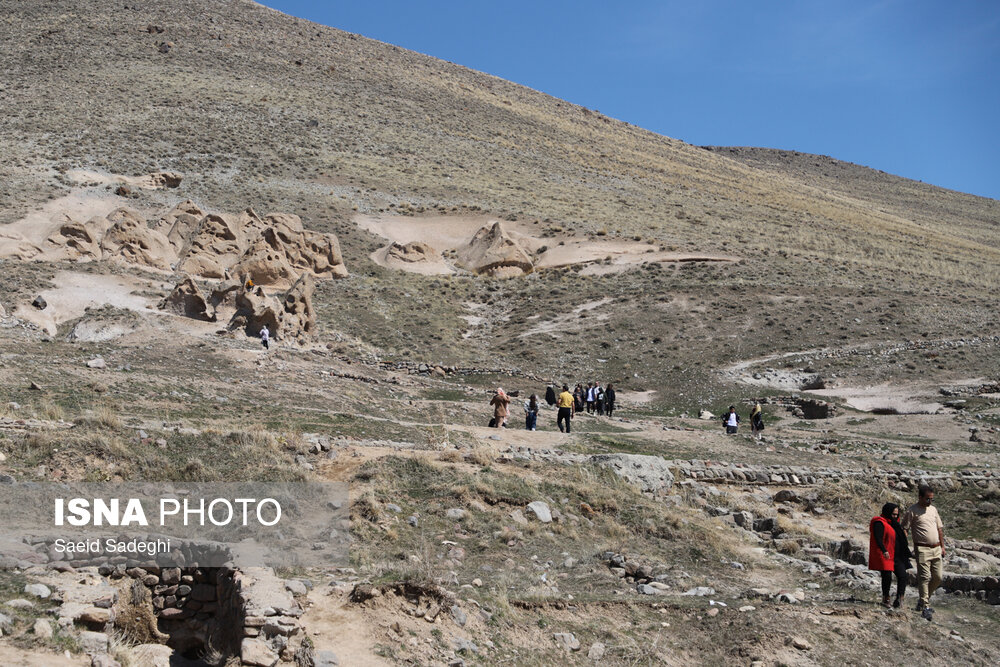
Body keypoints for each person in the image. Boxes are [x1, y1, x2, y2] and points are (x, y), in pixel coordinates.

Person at [901, 484, 945, 617]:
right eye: (927, 499)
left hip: (936, 547)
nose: (929, 501)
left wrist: (943, 546)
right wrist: (906, 545)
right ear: (920, 497)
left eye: (932, 499)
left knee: (938, 577)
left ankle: (922, 600)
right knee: (924, 577)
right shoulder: (912, 510)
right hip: (922, 548)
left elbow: (939, 529)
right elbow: (904, 528)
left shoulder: (933, 510)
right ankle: (925, 606)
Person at [870, 503, 909, 608]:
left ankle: (900, 599)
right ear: (887, 512)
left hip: (897, 555)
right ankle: (886, 598)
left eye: (897, 514)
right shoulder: (879, 522)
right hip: (886, 555)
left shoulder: (896, 524)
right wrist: (884, 550)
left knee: (902, 575)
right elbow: (878, 538)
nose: (895, 517)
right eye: (893, 514)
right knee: (887, 576)